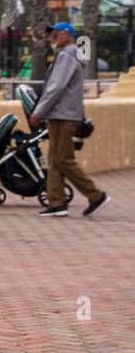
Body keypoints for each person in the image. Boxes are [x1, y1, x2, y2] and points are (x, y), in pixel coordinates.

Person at [30, 22, 108, 217]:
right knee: (55, 159)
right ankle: (57, 203)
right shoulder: (69, 55)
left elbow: (55, 87)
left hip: (62, 114)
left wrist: (39, 110)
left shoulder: (66, 56)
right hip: (61, 114)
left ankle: (96, 196)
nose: (52, 38)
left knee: (64, 159)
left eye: (55, 34)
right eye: (51, 35)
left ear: (66, 35)